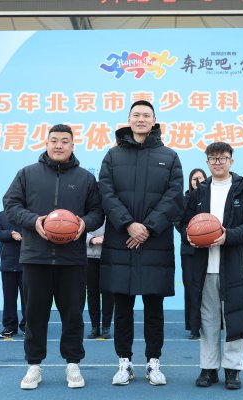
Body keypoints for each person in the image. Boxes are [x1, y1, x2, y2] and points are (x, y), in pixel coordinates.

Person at [3, 124, 104, 390]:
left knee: (73, 315)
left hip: (72, 259)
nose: (59, 145)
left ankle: (73, 364)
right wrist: (34, 221)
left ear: (73, 145)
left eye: (64, 141)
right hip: (35, 257)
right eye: (54, 140)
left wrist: (84, 224)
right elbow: (11, 205)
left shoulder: (85, 178)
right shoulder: (27, 174)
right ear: (46, 143)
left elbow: (97, 211)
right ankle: (34, 365)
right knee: (35, 315)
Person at [98, 100, 183, 386]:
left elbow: (174, 197)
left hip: (154, 242)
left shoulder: (169, 156)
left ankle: (153, 362)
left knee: (153, 308)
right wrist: (128, 225)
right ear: (129, 119)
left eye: (146, 115)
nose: (141, 119)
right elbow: (106, 193)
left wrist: (147, 228)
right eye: (136, 115)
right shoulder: (113, 156)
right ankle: (124, 362)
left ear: (154, 120)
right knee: (122, 307)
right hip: (121, 241)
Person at [180, 142, 243, 390]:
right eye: (213, 158)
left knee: (235, 317)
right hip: (205, 268)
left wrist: (229, 236)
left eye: (222, 158)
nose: (218, 162)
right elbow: (183, 224)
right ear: (207, 163)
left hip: (236, 266)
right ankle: (208, 369)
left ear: (231, 161)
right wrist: (190, 236)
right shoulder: (198, 193)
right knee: (207, 320)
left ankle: (232, 369)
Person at [180, 168, 207, 340]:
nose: (197, 181)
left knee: (208, 289)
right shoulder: (184, 200)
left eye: (201, 178)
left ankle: (211, 324)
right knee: (191, 288)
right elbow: (178, 221)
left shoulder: (210, 198)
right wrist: (190, 235)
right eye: (194, 178)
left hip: (208, 248)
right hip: (189, 249)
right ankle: (193, 326)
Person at [0, 210, 26, 339]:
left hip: (27, 263)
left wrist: (22, 235)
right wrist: (10, 233)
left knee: (28, 299)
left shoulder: (29, 214)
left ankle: (28, 326)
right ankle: (10, 327)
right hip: (8, 264)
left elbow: (37, 232)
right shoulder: (2, 215)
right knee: (9, 298)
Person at [86, 222, 114, 339]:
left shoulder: (111, 213)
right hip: (89, 257)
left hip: (109, 256)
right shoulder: (87, 212)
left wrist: (107, 237)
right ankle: (95, 327)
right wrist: (91, 239)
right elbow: (76, 229)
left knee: (108, 293)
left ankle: (106, 327)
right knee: (92, 293)